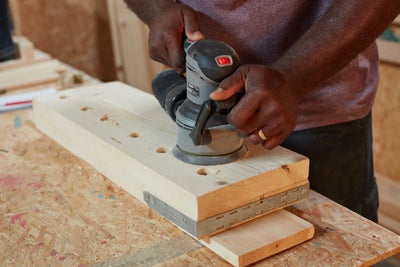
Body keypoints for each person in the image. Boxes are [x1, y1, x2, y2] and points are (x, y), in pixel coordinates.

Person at [124, 0, 400, 222]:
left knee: (337, 246)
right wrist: (155, 7)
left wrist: (293, 78)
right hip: (204, 106)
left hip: (321, 109)